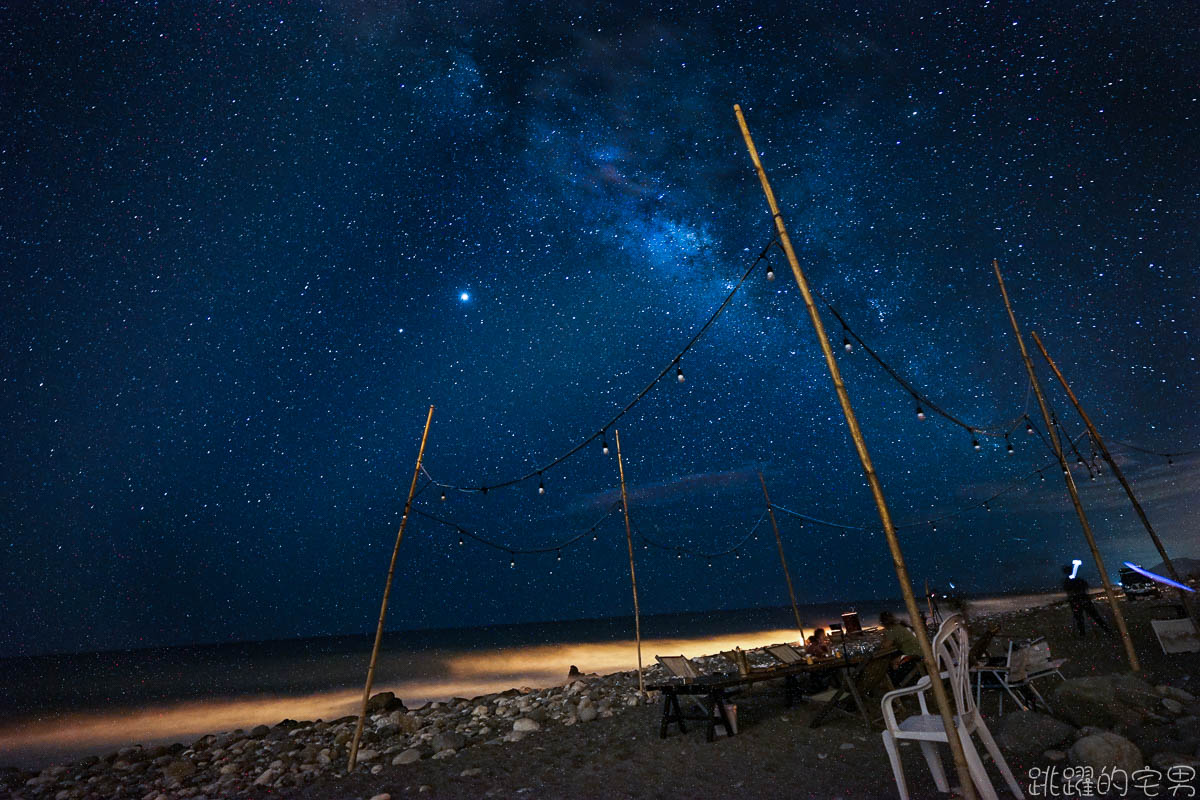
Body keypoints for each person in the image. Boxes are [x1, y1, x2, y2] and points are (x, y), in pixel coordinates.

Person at [1062, 564, 1111, 637]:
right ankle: (1107, 630)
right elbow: (1085, 587)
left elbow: (1070, 591)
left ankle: (1083, 634)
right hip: (1083, 600)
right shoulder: (1077, 580)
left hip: (1077, 601)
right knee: (1093, 616)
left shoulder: (1069, 581)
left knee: (1081, 619)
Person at [879, 611, 923, 685]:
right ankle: (902, 683)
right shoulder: (899, 626)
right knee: (893, 659)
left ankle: (895, 684)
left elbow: (886, 646)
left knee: (888, 663)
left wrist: (882, 640)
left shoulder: (892, 629)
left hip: (914, 655)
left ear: (883, 623)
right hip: (919, 651)